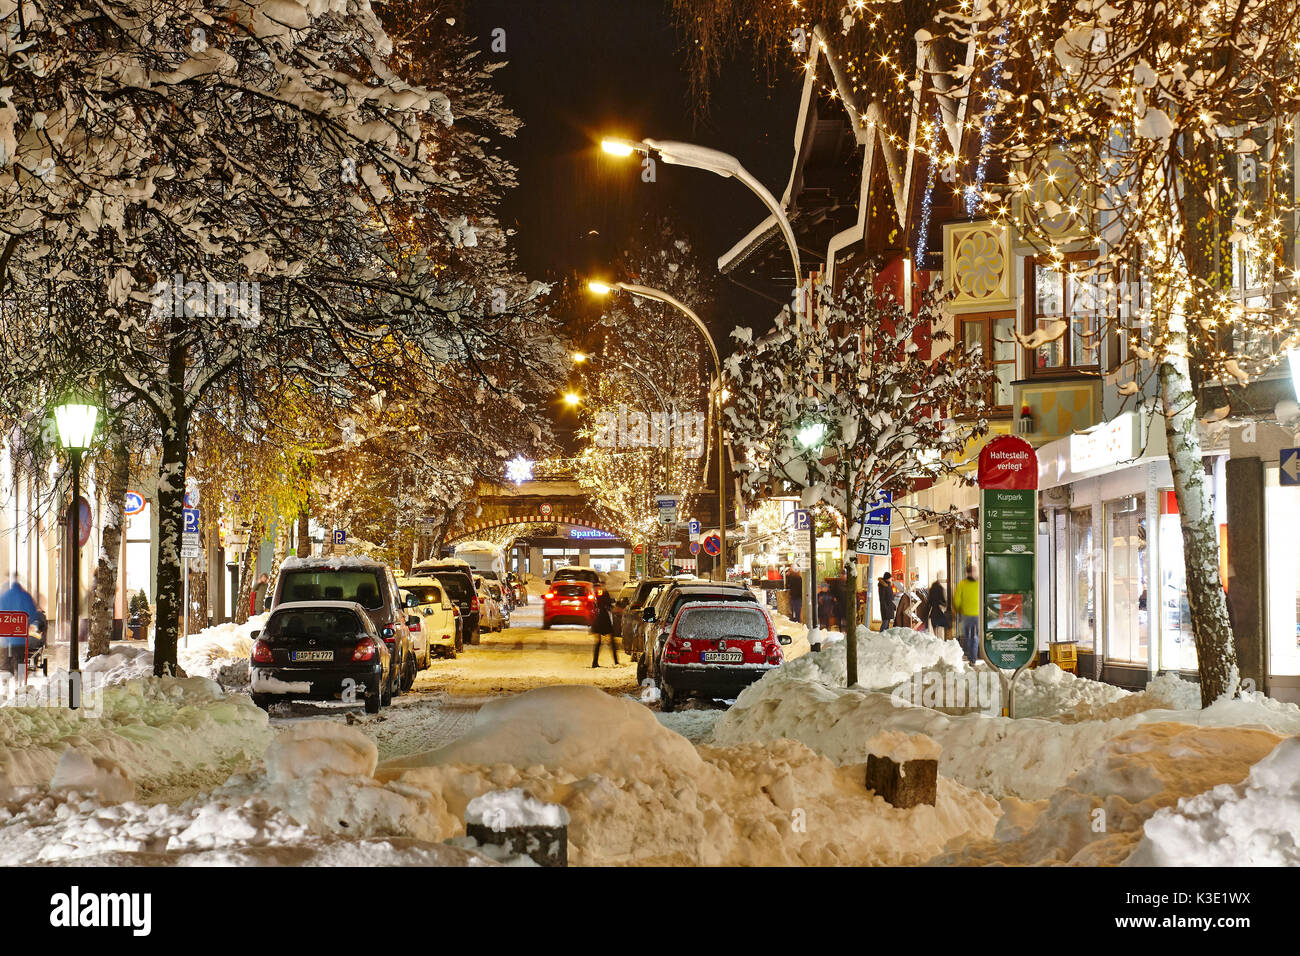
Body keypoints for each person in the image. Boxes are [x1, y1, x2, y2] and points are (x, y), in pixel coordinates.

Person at [953, 564, 981, 664]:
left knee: (968, 637)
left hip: (966, 615)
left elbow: (956, 600)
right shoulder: (979, 584)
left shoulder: (962, 584)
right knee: (974, 637)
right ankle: (972, 658)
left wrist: (958, 611)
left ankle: (971, 657)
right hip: (977, 615)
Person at [591, 588, 619, 667]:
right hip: (604, 619)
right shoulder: (604, 592)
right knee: (611, 641)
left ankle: (595, 662)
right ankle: (616, 661)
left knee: (598, 642)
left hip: (598, 618)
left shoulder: (595, 593)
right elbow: (609, 605)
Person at [928, 571, 951, 639]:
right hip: (939, 613)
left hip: (933, 613)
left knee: (935, 631)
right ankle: (941, 643)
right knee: (941, 631)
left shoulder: (932, 588)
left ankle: (937, 642)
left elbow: (929, 601)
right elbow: (943, 601)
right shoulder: (941, 588)